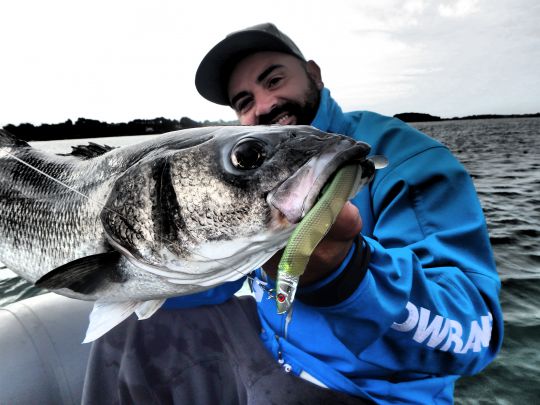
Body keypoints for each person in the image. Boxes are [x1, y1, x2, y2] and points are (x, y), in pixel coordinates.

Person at [82, 23, 503, 404]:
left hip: (365, 391)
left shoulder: (413, 161)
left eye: (274, 80)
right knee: (130, 330)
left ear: (314, 74)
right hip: (270, 348)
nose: (265, 105)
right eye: (245, 101)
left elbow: (474, 335)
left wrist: (347, 275)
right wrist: (136, 267)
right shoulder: (255, 183)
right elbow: (222, 282)